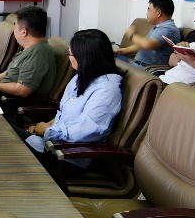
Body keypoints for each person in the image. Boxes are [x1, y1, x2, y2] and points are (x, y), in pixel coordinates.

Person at [21, 29, 122, 172]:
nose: (68, 57)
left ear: (84, 57)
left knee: (8, 144)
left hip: (67, 157)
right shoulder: (80, 77)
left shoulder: (107, 90)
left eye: (70, 53)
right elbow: (63, 113)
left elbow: (86, 131)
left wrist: (48, 131)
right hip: (51, 144)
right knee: (6, 134)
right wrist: (46, 126)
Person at [0, 6, 57, 100]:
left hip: (7, 103)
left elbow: (22, 90)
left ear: (24, 32)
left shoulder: (38, 54)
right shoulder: (31, 48)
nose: (14, 30)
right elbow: (15, 70)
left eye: (15, 26)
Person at [116, 0, 180, 67]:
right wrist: (122, 51)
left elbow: (146, 45)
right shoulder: (158, 27)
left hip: (146, 68)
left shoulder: (168, 29)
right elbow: (142, 45)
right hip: (137, 64)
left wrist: (131, 34)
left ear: (158, 13)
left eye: (149, 10)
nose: (147, 13)